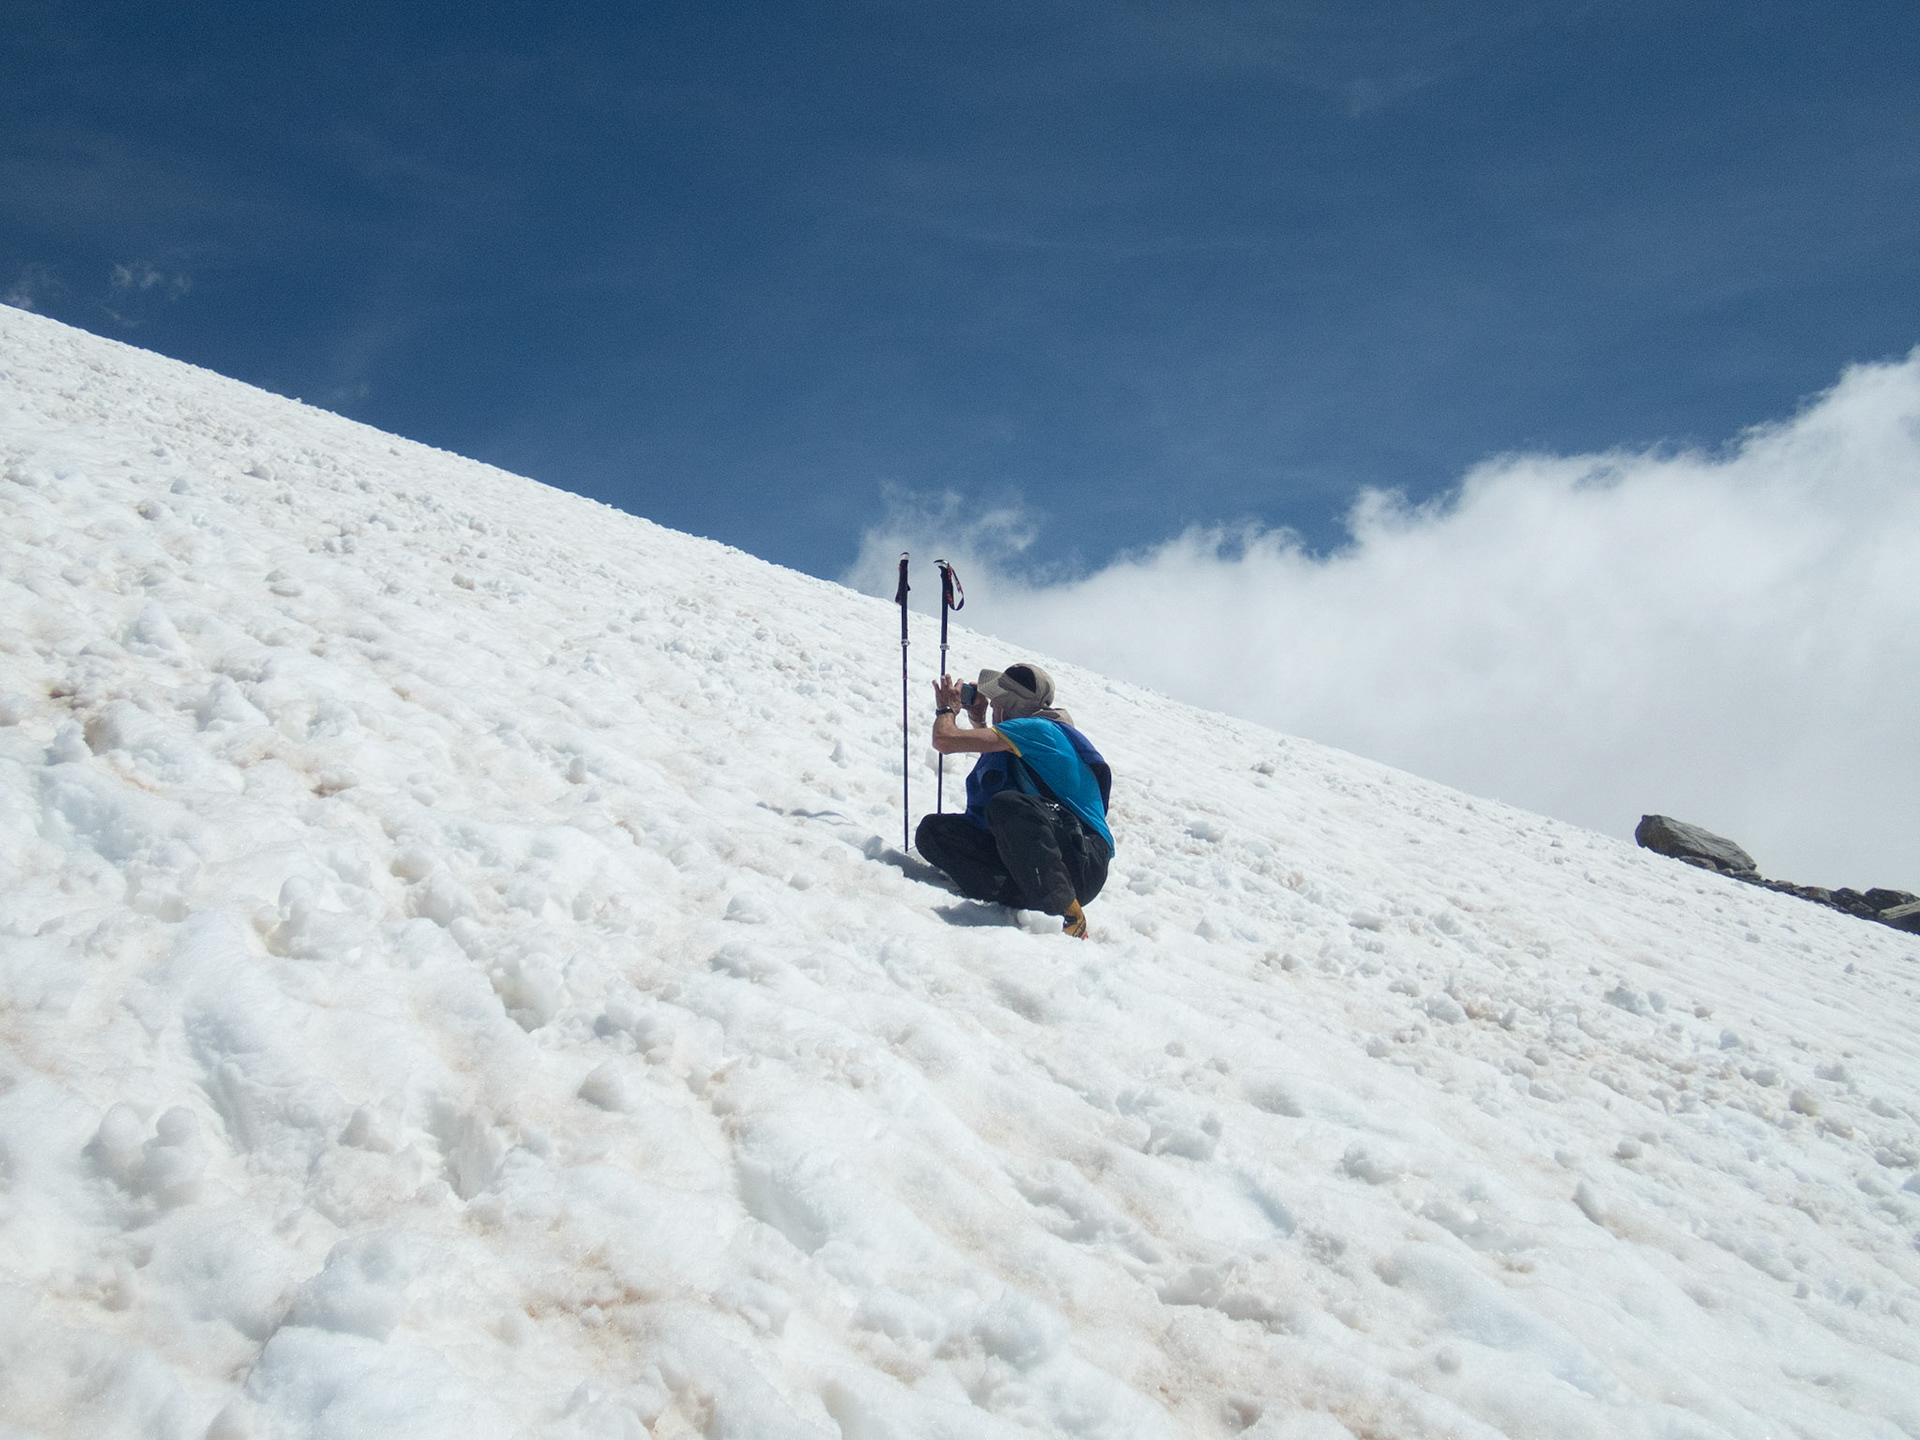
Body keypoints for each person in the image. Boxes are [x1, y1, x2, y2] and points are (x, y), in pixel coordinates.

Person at [915, 663, 1112, 937]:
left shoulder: (1038, 729)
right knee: (934, 831)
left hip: (1083, 859)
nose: (993, 705)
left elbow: (945, 740)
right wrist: (978, 721)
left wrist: (947, 709)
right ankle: (1021, 897)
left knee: (1009, 805)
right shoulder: (1027, 736)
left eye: (998, 701)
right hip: (1047, 855)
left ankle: (1064, 911)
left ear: (1010, 706)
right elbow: (996, 759)